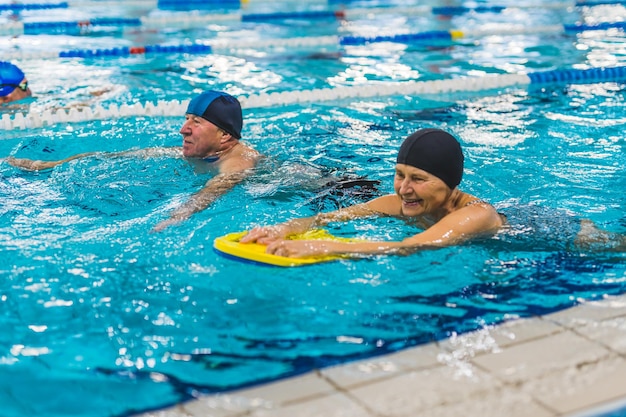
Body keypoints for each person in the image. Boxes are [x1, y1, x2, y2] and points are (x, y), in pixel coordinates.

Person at [6, 90, 261, 231]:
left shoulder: (238, 161)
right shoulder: (198, 151)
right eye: (186, 119)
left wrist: (177, 216)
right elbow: (115, 156)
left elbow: (217, 188)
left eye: (196, 122)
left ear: (225, 134)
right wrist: (51, 165)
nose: (183, 129)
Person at [241, 128, 506, 257]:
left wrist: (322, 246)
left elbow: (411, 246)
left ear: (450, 184)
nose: (404, 189)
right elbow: (329, 218)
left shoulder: (477, 214)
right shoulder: (402, 202)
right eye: (400, 175)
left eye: (418, 179)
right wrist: (285, 228)